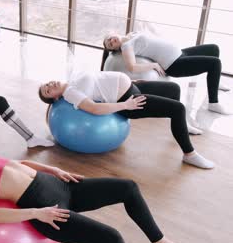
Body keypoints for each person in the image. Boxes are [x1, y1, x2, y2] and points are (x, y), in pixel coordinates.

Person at [0, 154, 192, 243]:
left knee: (128, 188)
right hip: (44, 206)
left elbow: (18, 164)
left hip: (59, 186)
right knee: (112, 239)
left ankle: (159, 242)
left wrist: (52, 169)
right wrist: (37, 213)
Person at [38, 70, 215, 169]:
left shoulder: (72, 80)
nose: (48, 86)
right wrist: (125, 106)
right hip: (128, 101)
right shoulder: (70, 94)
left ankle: (183, 126)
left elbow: (101, 80)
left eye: (46, 84)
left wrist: (130, 81)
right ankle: (189, 154)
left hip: (131, 87)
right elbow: (95, 108)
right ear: (54, 98)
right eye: (47, 91)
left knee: (173, 89)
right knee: (178, 108)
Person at [102, 32, 231, 115]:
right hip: (174, 64)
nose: (112, 41)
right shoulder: (126, 47)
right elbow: (132, 67)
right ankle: (213, 103)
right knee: (215, 63)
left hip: (181, 54)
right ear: (114, 49)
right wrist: (153, 65)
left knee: (214, 49)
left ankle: (215, 82)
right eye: (110, 44)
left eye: (109, 38)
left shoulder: (131, 35)